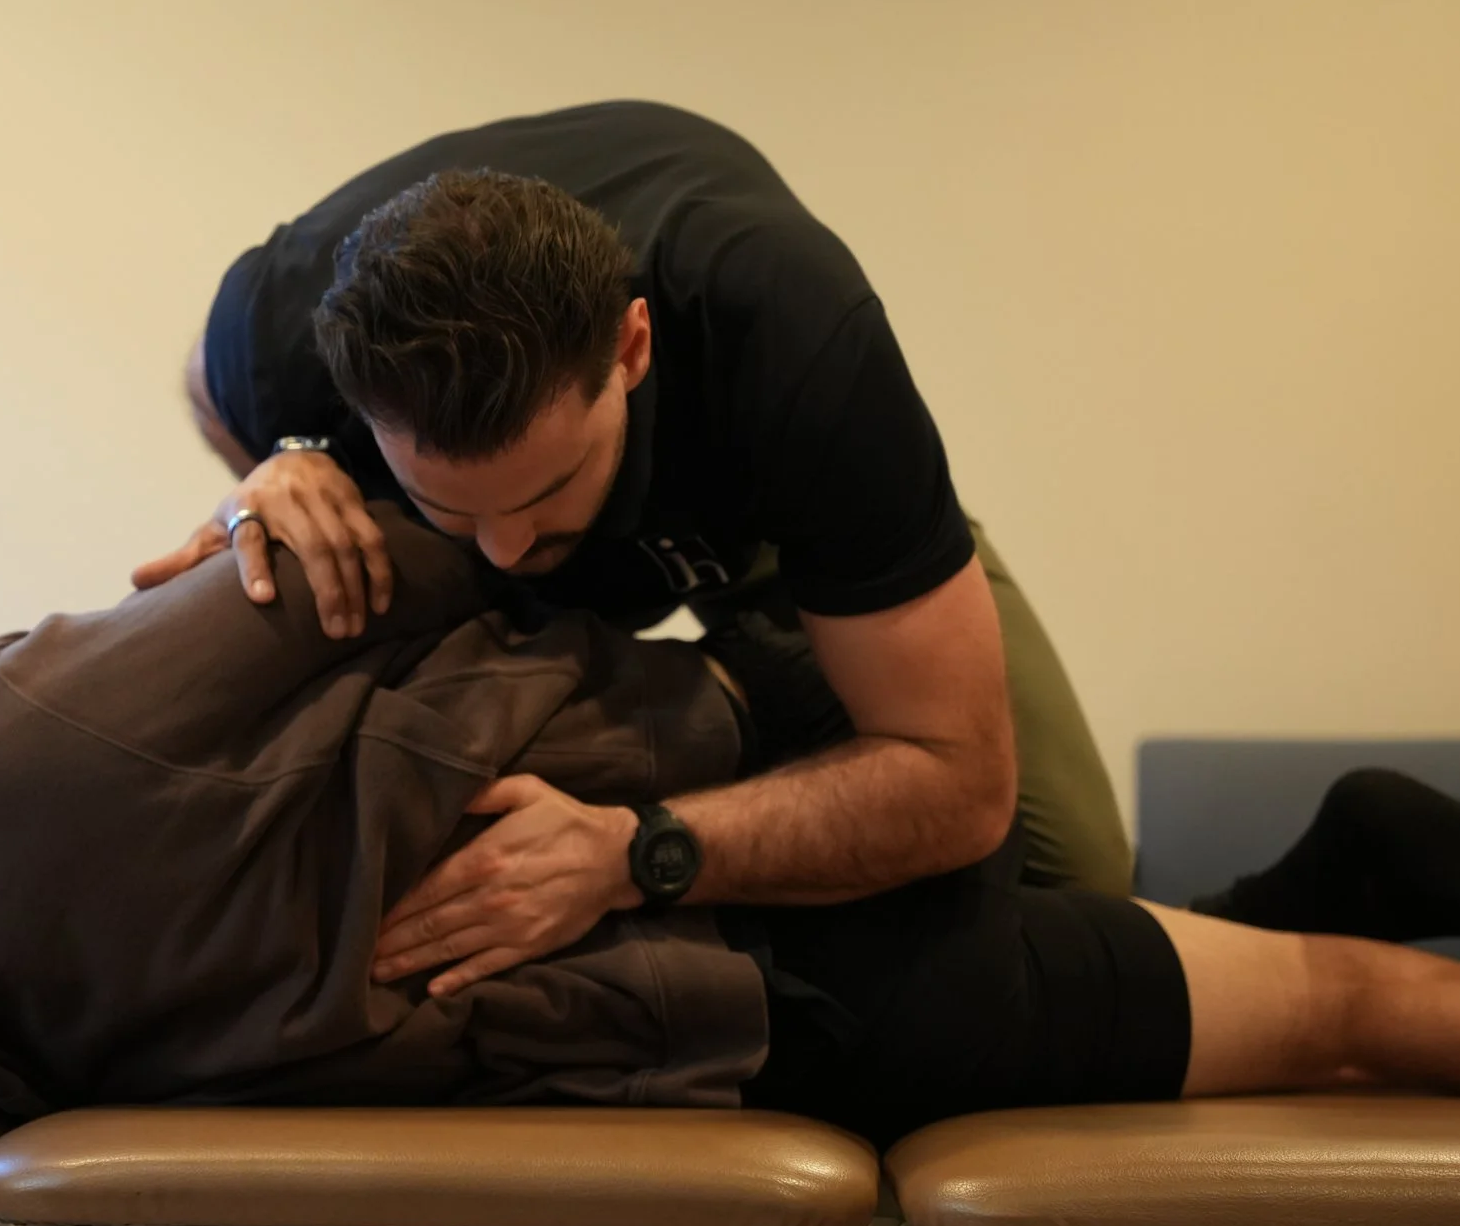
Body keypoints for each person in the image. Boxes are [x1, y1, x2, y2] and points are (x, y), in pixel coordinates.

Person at [0, 507, 1460, 1142]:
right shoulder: (8, 752)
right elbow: (447, 530)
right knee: (1329, 1007)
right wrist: (282, 484)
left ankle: (1354, 848)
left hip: (724, 919)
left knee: (1180, 957)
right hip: (771, 881)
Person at [138, 103, 1127, 1020]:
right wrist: (277, 469)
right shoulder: (282, 324)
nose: (509, 550)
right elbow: (207, 383)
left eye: (544, 490)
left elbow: (959, 781)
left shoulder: (789, 333)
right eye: (456, 505)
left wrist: (635, 851)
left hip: (767, 521)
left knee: (1078, 875)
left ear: (632, 348)